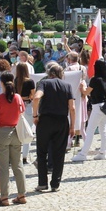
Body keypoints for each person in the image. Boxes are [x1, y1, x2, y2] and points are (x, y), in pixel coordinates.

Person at [0, 71, 27, 206]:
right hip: (15, 132)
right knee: (17, 165)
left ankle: (4, 196)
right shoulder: (18, 98)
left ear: (1, 83)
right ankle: (21, 194)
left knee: (3, 167)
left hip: (1, 133)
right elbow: (21, 113)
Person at [32, 62, 75, 192]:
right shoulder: (67, 86)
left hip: (45, 120)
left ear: (49, 74)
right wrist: (72, 126)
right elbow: (72, 108)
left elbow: (36, 98)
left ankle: (42, 183)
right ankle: (55, 183)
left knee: (41, 152)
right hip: (62, 121)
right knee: (59, 153)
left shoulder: (44, 83)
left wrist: (35, 115)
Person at [74, 60, 106, 162]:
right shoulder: (105, 79)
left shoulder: (95, 79)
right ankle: (103, 152)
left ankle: (83, 153)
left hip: (97, 107)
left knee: (90, 130)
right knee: (103, 130)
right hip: (105, 107)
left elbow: (86, 92)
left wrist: (82, 88)